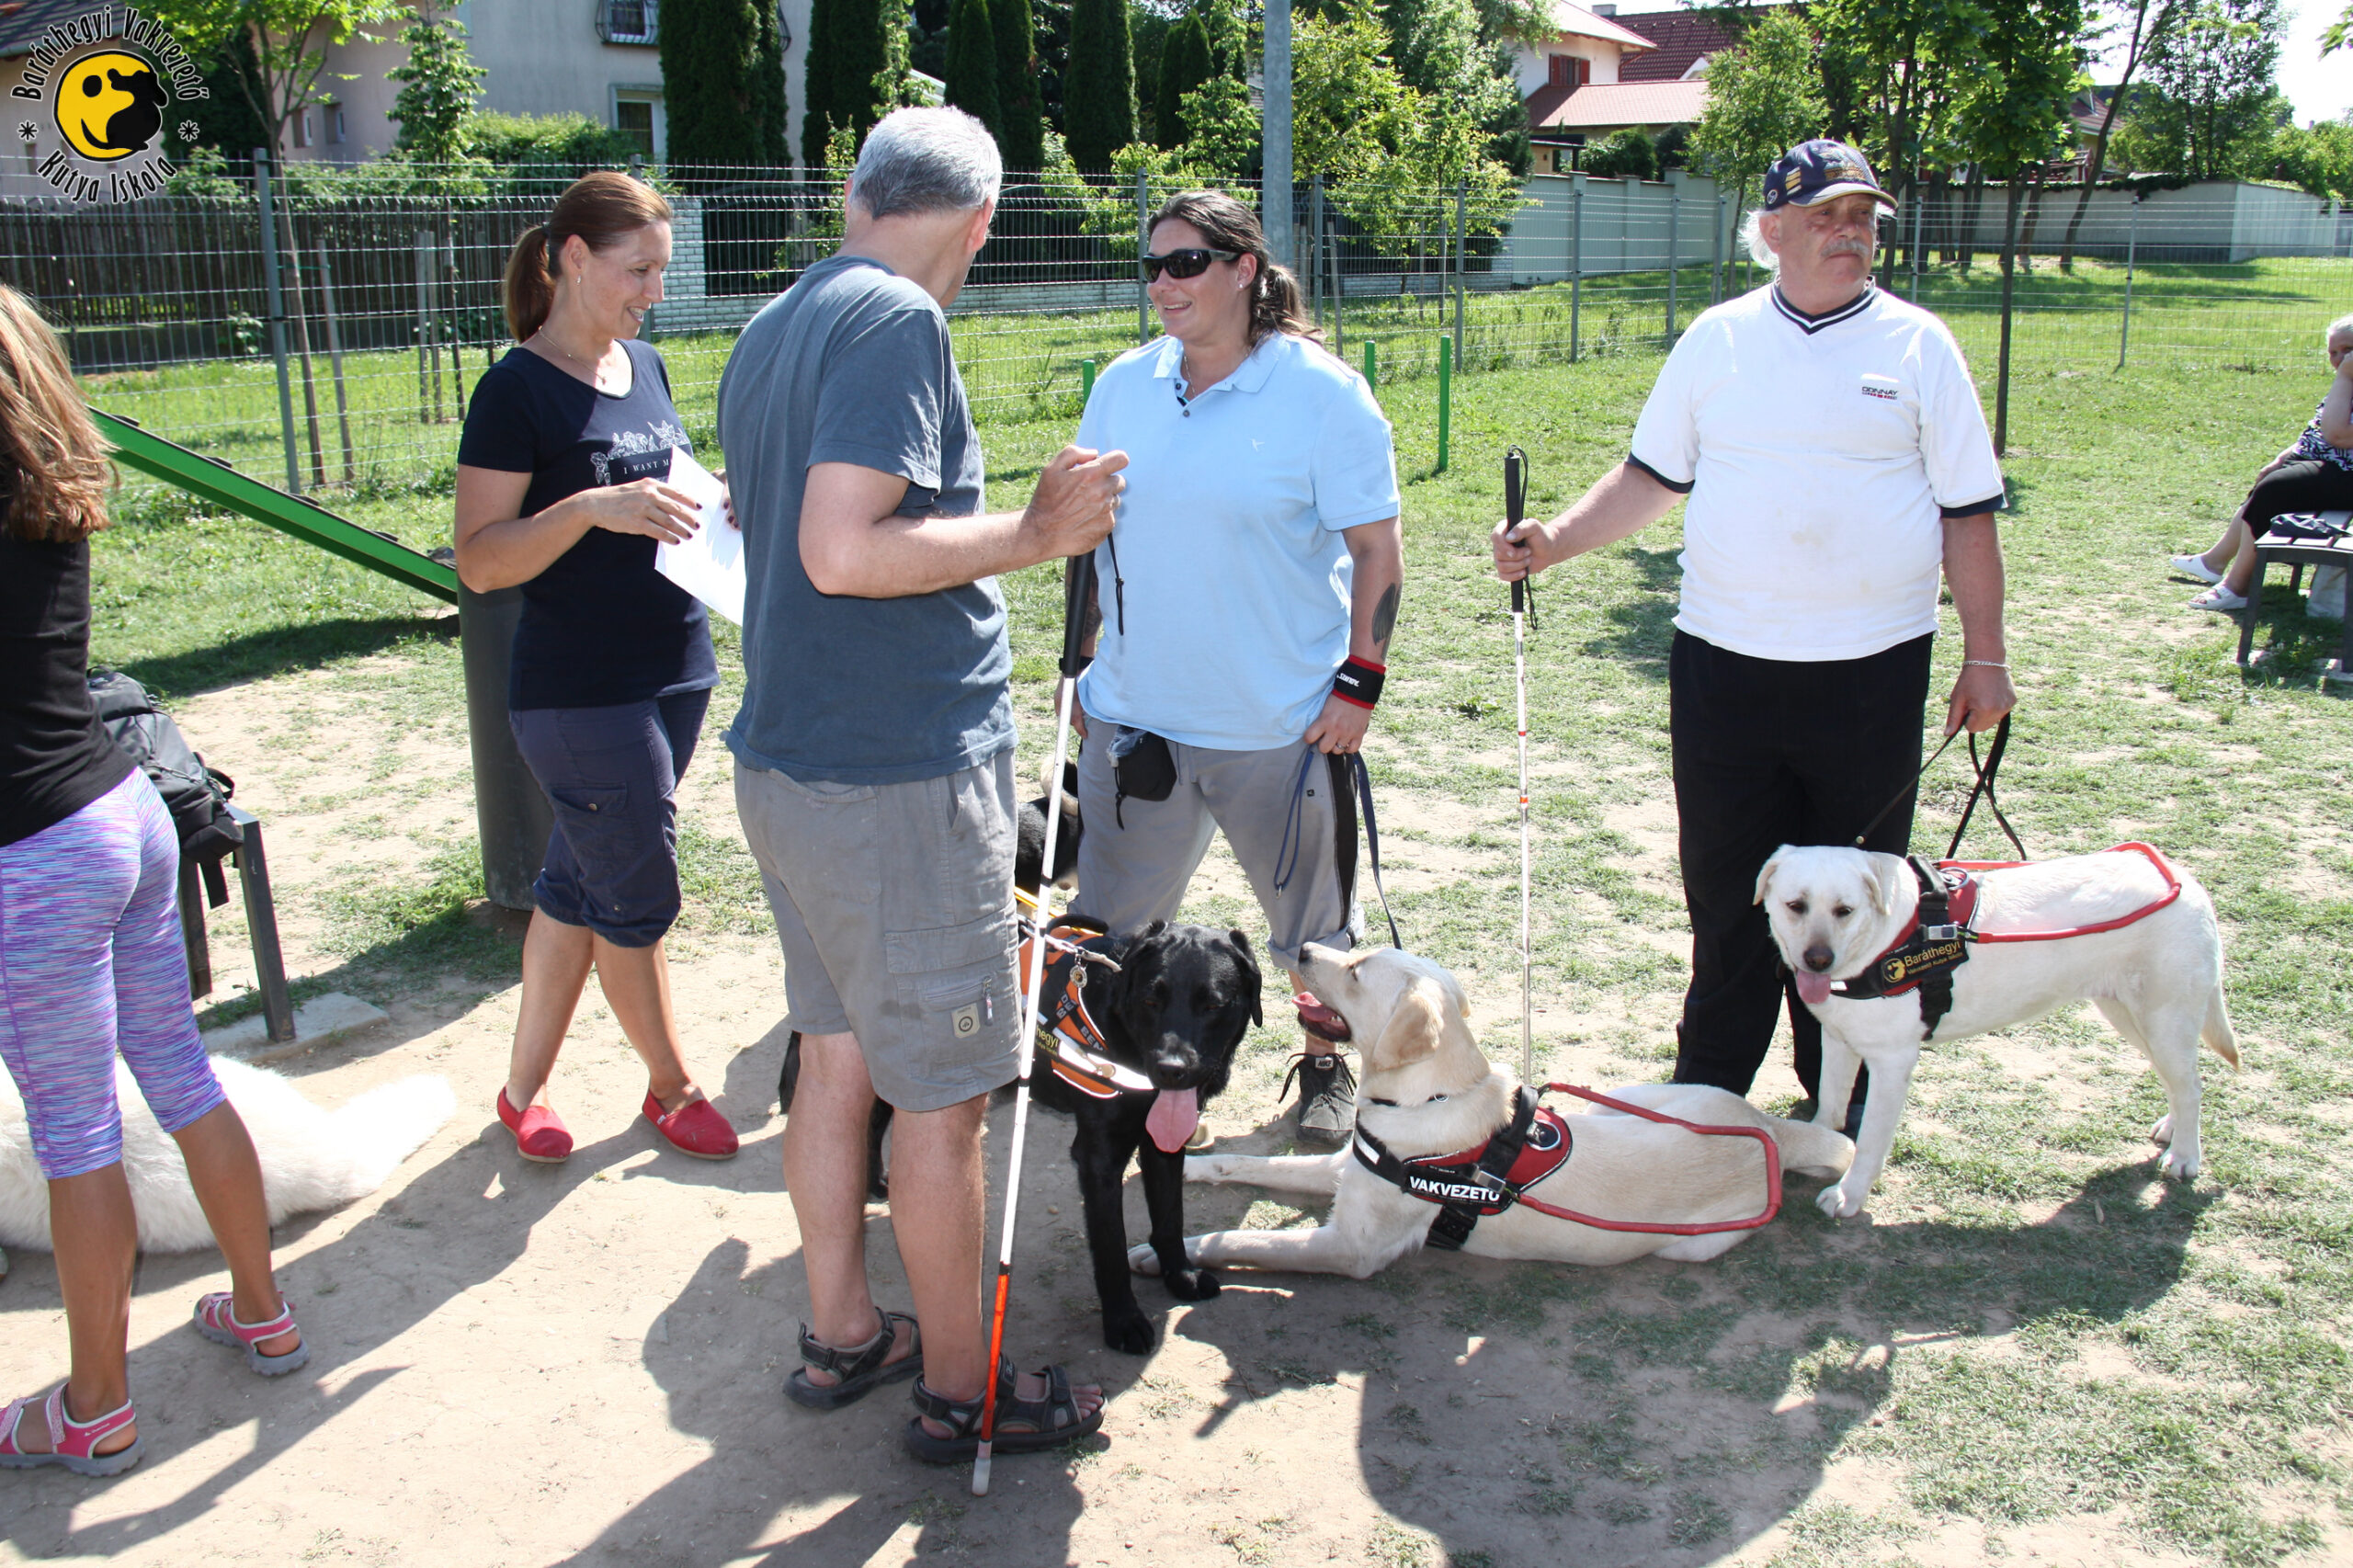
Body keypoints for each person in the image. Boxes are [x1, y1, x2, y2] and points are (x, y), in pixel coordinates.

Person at [719, 108, 1127, 1461]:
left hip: (791, 765)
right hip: (890, 783)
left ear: (856, 193)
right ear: (984, 221)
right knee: (943, 1097)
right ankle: (967, 1386)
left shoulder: (779, 319)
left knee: (837, 1061)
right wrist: (1033, 530)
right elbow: (841, 548)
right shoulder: (897, 322)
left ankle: (848, 1330)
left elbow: (780, 526)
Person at [1492, 140, 2013, 1120]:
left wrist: (1984, 655)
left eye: (1862, 215)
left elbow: (1967, 511)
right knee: (1729, 898)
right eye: (1825, 215)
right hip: (1723, 669)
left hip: (1871, 673)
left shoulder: (1918, 346)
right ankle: (1707, 1102)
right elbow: (1651, 477)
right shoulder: (1716, 341)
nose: (1850, 231)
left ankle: (1839, 1108)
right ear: (1770, 232)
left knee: (1859, 904)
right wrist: (1551, 540)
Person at [0, 282, 304, 1478]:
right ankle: (263, 1306)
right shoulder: (49, 483)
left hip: (36, 855)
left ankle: (95, 1405)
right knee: (175, 1068)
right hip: (121, 813)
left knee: (76, 1133)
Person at [1068, 189, 1404, 1149]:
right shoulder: (1123, 385)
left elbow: (1377, 552)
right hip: (1137, 721)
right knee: (1112, 934)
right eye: (1153, 265)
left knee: (1315, 939)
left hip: (1280, 726)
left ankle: (1326, 1068)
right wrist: (1082, 672)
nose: (1163, 284)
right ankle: (1118, 1078)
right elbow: (1086, 539)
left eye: (1186, 263)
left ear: (1243, 269)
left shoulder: (1324, 395)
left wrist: (1358, 682)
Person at [454, 171, 737, 1165]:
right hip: (580, 693)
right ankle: (671, 1087)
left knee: (576, 887)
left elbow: (668, 482)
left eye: (660, 269)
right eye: (638, 269)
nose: (654, 290)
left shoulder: (645, 363)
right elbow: (482, 558)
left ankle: (519, 1091)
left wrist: (717, 495)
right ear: (572, 258)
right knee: (637, 897)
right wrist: (586, 510)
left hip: (675, 670)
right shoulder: (515, 389)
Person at [2172, 312, 2353, 612]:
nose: (2339, 359)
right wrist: (2283, 456)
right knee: (2272, 479)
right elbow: (2319, 428)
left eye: (2348, 350)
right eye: (2333, 352)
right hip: (2335, 467)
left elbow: (2337, 435)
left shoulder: (2347, 379)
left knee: (2275, 490)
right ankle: (2214, 560)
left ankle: (2237, 587)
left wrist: (2345, 376)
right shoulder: (2347, 380)